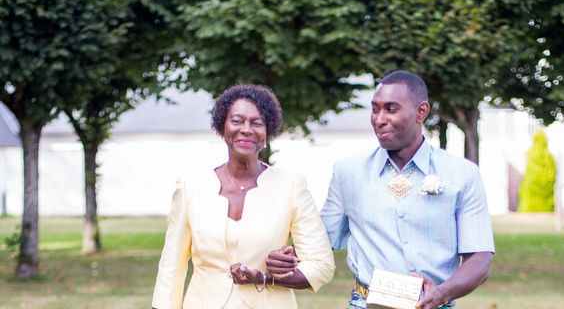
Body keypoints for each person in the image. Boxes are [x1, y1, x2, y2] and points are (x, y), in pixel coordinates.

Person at [267, 70, 494, 309]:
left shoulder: (463, 174)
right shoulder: (347, 172)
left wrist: (440, 293)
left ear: (421, 111)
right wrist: (284, 257)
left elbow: (480, 258)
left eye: (391, 109)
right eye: (375, 109)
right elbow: (321, 240)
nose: (379, 119)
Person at [152, 84, 335, 309]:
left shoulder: (291, 185)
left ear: (268, 131)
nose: (246, 129)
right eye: (237, 121)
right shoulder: (191, 185)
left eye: (257, 123)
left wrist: (268, 276)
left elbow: (322, 265)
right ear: (223, 127)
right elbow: (172, 264)